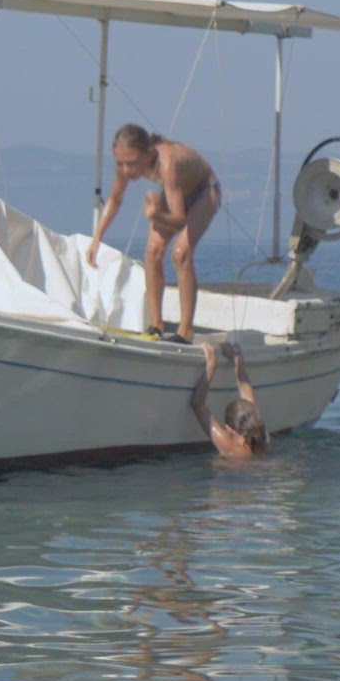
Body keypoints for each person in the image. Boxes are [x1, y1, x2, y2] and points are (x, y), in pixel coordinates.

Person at [87, 123, 221, 342]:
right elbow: (115, 199)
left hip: (204, 191)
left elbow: (179, 221)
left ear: (148, 154)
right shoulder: (125, 165)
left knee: (181, 254)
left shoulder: (168, 164)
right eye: (120, 163)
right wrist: (97, 238)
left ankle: (185, 330)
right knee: (153, 250)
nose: (126, 170)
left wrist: (155, 215)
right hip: (176, 193)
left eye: (132, 163)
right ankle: (156, 324)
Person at [189, 341, 267, 458]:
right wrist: (237, 361)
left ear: (229, 430)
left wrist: (211, 365)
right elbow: (248, 398)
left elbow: (197, 404)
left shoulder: (230, 447)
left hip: (233, 469)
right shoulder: (263, 440)